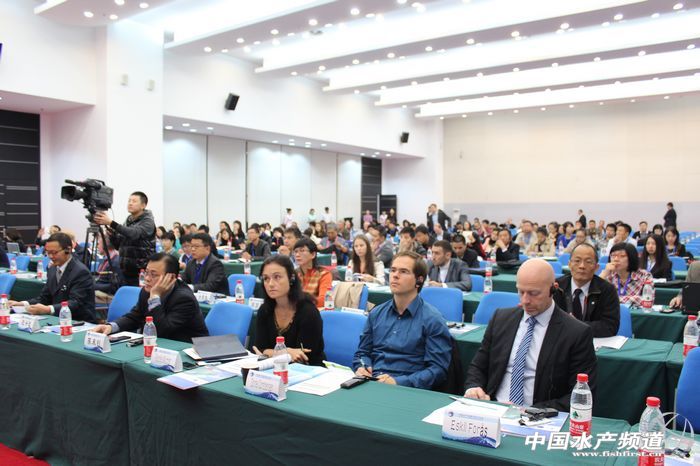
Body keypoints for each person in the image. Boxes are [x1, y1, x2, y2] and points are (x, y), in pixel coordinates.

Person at [464, 259, 597, 410]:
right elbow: (478, 366)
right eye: (521, 292)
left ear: (553, 290)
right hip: (495, 408)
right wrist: (474, 387)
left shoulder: (576, 333)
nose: (525, 300)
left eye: (534, 293)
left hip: (540, 414)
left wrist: (532, 411)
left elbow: (580, 395)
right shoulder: (500, 319)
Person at [352, 251, 452, 389]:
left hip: (406, 389)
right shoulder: (376, 313)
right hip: (371, 383)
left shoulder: (433, 320)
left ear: (419, 280)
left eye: (403, 271)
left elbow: (437, 370)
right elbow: (362, 353)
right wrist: (362, 366)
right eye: (393, 270)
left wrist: (398, 382)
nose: (395, 275)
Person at [92, 253, 209, 342]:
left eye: (153, 274)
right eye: (146, 272)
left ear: (171, 277)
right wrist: (110, 327)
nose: (147, 278)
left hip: (188, 350)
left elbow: (161, 331)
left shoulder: (184, 298)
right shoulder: (146, 291)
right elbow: (135, 317)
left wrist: (155, 298)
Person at [8, 233, 96, 322]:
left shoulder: (80, 272)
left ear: (68, 250)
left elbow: (75, 302)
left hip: (78, 321)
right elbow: (44, 297)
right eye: (48, 252)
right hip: (58, 319)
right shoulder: (52, 269)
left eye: (54, 252)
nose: (50, 256)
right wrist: (22, 304)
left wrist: (48, 309)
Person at [254, 255, 325, 365]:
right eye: (266, 278)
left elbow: (304, 357)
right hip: (273, 369)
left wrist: (271, 353)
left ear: (291, 278)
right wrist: (286, 352)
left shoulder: (308, 312)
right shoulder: (265, 310)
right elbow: (259, 349)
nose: (270, 284)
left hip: (309, 370)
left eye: (277, 277)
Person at [553, 243, 620, 337]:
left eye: (588, 262)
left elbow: (610, 326)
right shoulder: (557, 287)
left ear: (596, 267)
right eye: (577, 261)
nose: (582, 266)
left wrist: (576, 326)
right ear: (569, 264)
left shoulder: (607, 290)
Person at [94, 191, 156, 286]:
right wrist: (113, 235)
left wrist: (111, 223)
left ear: (143, 205)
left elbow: (134, 234)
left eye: (134, 201)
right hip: (125, 270)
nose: (130, 203)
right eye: (129, 201)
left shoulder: (148, 221)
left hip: (141, 271)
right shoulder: (128, 220)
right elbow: (119, 245)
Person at [600, 242, 653, 307]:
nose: (616, 259)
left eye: (622, 256)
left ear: (631, 258)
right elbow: (594, 296)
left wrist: (613, 299)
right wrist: (604, 274)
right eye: (613, 256)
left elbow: (648, 299)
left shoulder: (645, 275)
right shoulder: (608, 275)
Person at [293, 238, 332, 308]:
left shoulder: (323, 274)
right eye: (295, 251)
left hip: (313, 311)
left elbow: (324, 300)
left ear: (313, 254)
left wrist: (298, 303)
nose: (297, 255)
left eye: (302, 250)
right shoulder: (293, 274)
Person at [94, 236, 125, 301]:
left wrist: (93, 286)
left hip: (109, 296)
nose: (97, 246)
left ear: (105, 246)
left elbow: (114, 287)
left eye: (99, 244)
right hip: (100, 289)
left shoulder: (115, 262)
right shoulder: (108, 259)